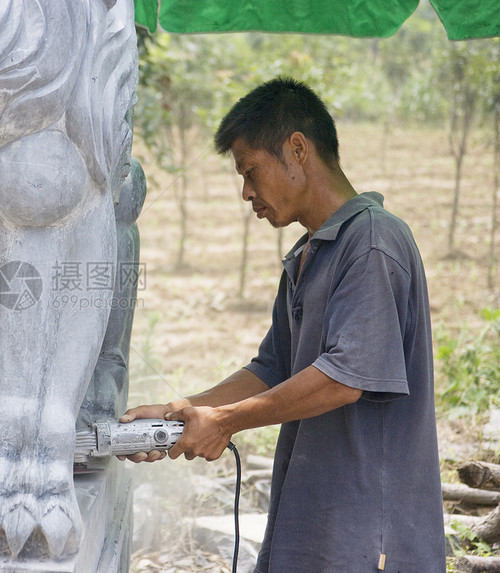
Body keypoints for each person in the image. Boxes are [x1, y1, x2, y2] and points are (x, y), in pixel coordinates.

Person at [122, 76, 446, 572]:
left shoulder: (373, 243)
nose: (247, 193)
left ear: (297, 149)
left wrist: (226, 423)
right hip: (314, 523)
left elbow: (344, 378)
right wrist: (180, 411)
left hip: (366, 537)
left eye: (251, 171)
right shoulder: (308, 254)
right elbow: (272, 367)